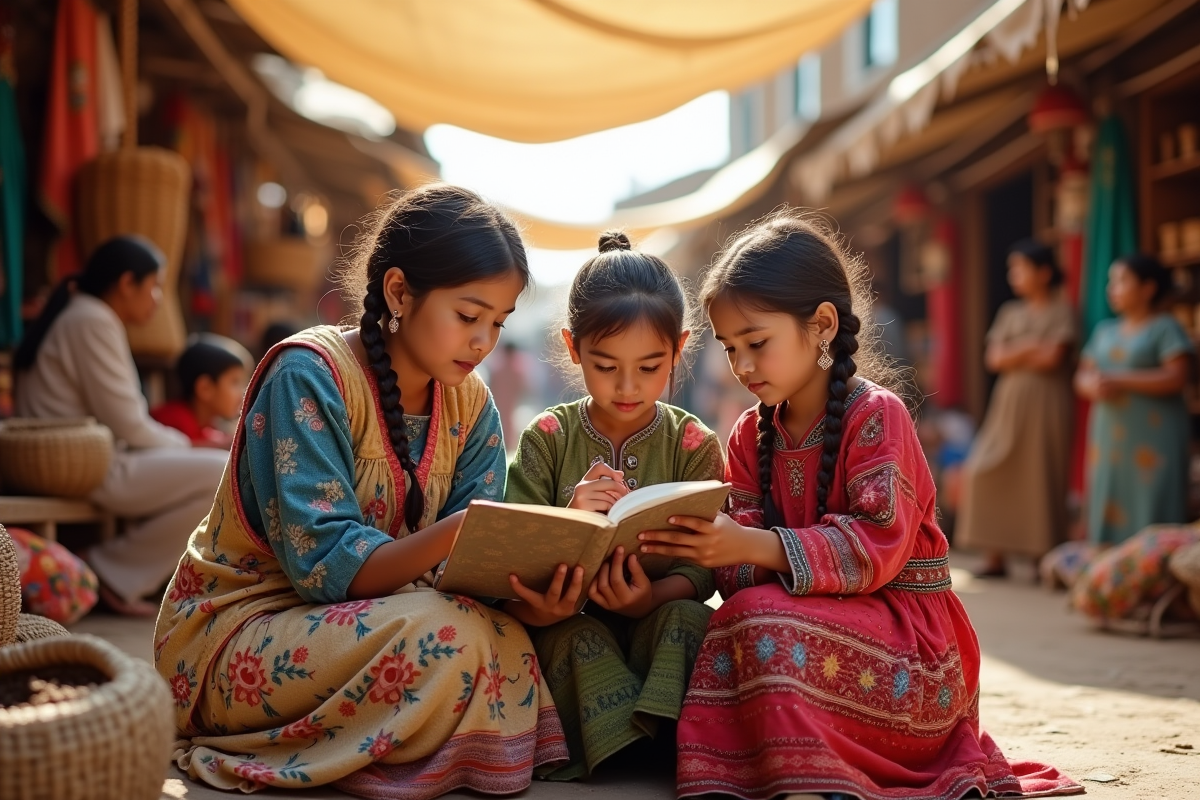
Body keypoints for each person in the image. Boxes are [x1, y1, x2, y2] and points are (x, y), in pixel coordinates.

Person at [637, 211, 1081, 799]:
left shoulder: (878, 416)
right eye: (729, 347)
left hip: (910, 646)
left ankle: (812, 776)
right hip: (800, 622)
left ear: (821, 325)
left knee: (758, 622)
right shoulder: (748, 435)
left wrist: (753, 545)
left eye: (756, 343)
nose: (740, 366)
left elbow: (877, 548)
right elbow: (737, 574)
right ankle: (777, 770)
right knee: (728, 620)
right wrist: (712, 545)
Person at [153, 184, 566, 797]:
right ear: (400, 292)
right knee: (456, 640)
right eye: (468, 316)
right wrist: (462, 531)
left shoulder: (472, 404)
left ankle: (407, 742)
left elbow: (465, 580)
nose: (484, 342)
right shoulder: (308, 375)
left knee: (504, 636)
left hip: (383, 620)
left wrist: (537, 595)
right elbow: (326, 570)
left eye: (498, 323)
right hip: (245, 627)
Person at [504, 231, 724, 780]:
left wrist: (647, 598)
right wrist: (570, 521)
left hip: (657, 616)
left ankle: (678, 741)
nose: (628, 386)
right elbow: (510, 556)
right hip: (568, 621)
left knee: (689, 619)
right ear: (573, 347)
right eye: (605, 366)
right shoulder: (547, 439)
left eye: (650, 367)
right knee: (574, 638)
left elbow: (702, 569)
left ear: (680, 348)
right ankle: (621, 748)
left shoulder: (694, 444)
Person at [14, 235, 228, 617]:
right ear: (127, 283)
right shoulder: (93, 319)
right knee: (223, 471)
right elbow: (129, 425)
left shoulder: (82, 314)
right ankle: (109, 572)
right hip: (86, 467)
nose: (158, 299)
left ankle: (114, 570)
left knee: (217, 472)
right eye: (154, 287)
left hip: (78, 460)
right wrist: (190, 446)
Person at [956, 240, 1076, 578]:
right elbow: (994, 358)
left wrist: (1016, 352)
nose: (1014, 276)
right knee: (983, 469)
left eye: (1020, 268)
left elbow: (1054, 357)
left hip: (1047, 404)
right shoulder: (1010, 313)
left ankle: (1042, 557)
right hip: (1008, 403)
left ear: (1044, 272)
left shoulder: (1062, 310)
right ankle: (995, 555)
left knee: (1041, 473)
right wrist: (1032, 347)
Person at [1074, 253, 1194, 547]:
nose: (1112, 288)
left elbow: (1177, 377)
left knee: (1155, 494)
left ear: (1148, 288)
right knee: (1110, 491)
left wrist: (1118, 379)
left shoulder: (1166, 328)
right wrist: (1092, 386)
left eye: (1122, 281)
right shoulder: (1105, 331)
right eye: (1111, 282)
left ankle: (1155, 567)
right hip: (1110, 435)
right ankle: (1109, 571)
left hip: (1156, 436)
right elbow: (1081, 376)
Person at [152, 335, 251, 449]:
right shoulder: (171, 420)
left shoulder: (210, 429)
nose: (243, 393)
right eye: (234, 382)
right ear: (205, 388)